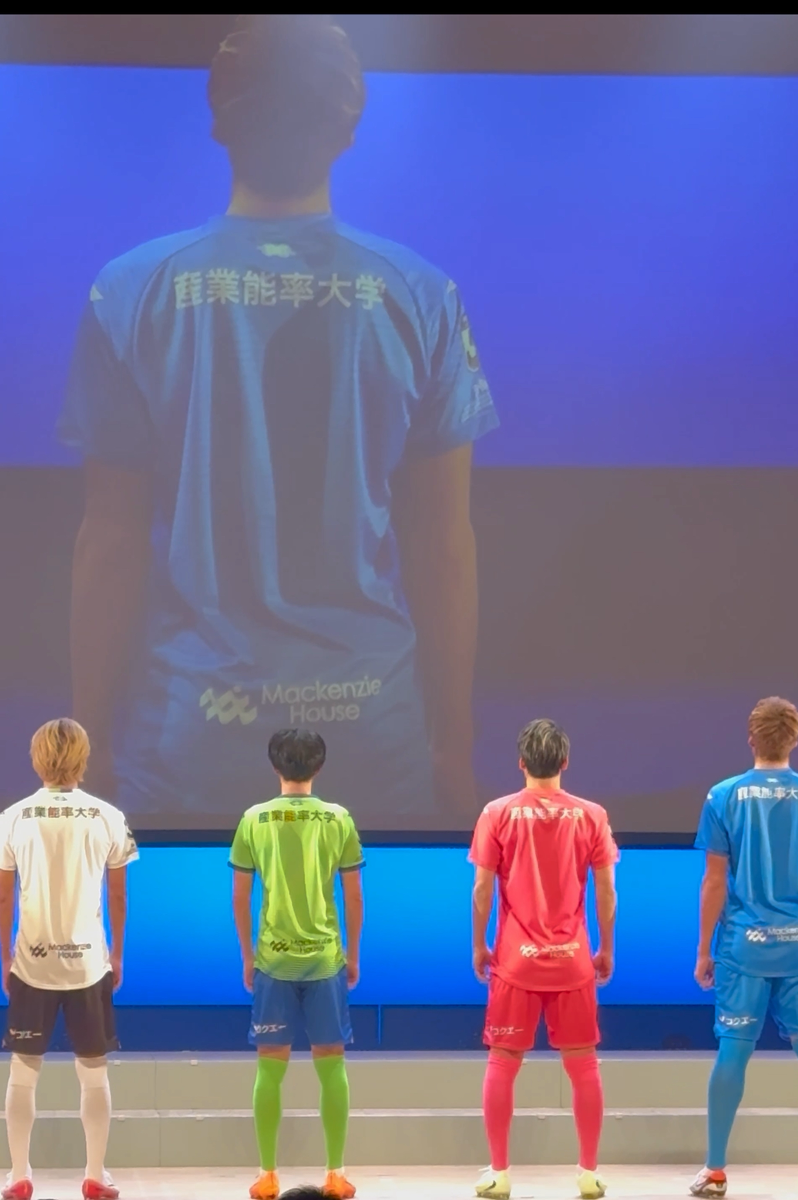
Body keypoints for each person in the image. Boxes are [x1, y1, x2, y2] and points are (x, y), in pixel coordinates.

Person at [59, 13, 499, 829]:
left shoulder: (131, 292)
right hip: (373, 732)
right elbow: (443, 546)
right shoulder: (419, 295)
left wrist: (85, 744)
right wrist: (453, 747)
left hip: (189, 733)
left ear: (220, 121)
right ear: (348, 128)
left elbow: (109, 540)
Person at [690, 697, 798, 1200]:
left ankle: (715, 1171)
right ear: (794, 739)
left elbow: (714, 882)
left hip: (743, 947)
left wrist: (704, 950)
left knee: (733, 1053)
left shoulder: (722, 796)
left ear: (751, 737)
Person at [469, 718, 619, 1200]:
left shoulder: (496, 812)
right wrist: (606, 948)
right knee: (584, 1065)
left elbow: (482, 888)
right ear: (565, 762)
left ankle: (499, 1173)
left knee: (502, 1062)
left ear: (521, 762)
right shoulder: (592, 815)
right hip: (573, 960)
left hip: (516, 961)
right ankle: (589, 1173)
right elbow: (607, 892)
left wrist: (479, 944)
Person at [0, 719, 138, 1200]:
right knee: (93, 1071)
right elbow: (118, 896)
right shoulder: (108, 816)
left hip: (31, 962)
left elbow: (3, 898)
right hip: (88, 964)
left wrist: (5, 957)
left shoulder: (12, 817)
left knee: (23, 1071)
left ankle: (18, 1175)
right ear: (84, 757)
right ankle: (95, 1175)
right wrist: (116, 953)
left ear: (37, 757)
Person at [230, 728, 365, 1200]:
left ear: (275, 766)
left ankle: (267, 1175)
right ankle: (336, 1174)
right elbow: (353, 895)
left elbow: (240, 896)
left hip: (273, 961)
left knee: (269, 1069)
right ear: (319, 766)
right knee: (332, 1066)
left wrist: (248, 957)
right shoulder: (338, 818)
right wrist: (353, 955)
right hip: (327, 961)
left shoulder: (253, 819)